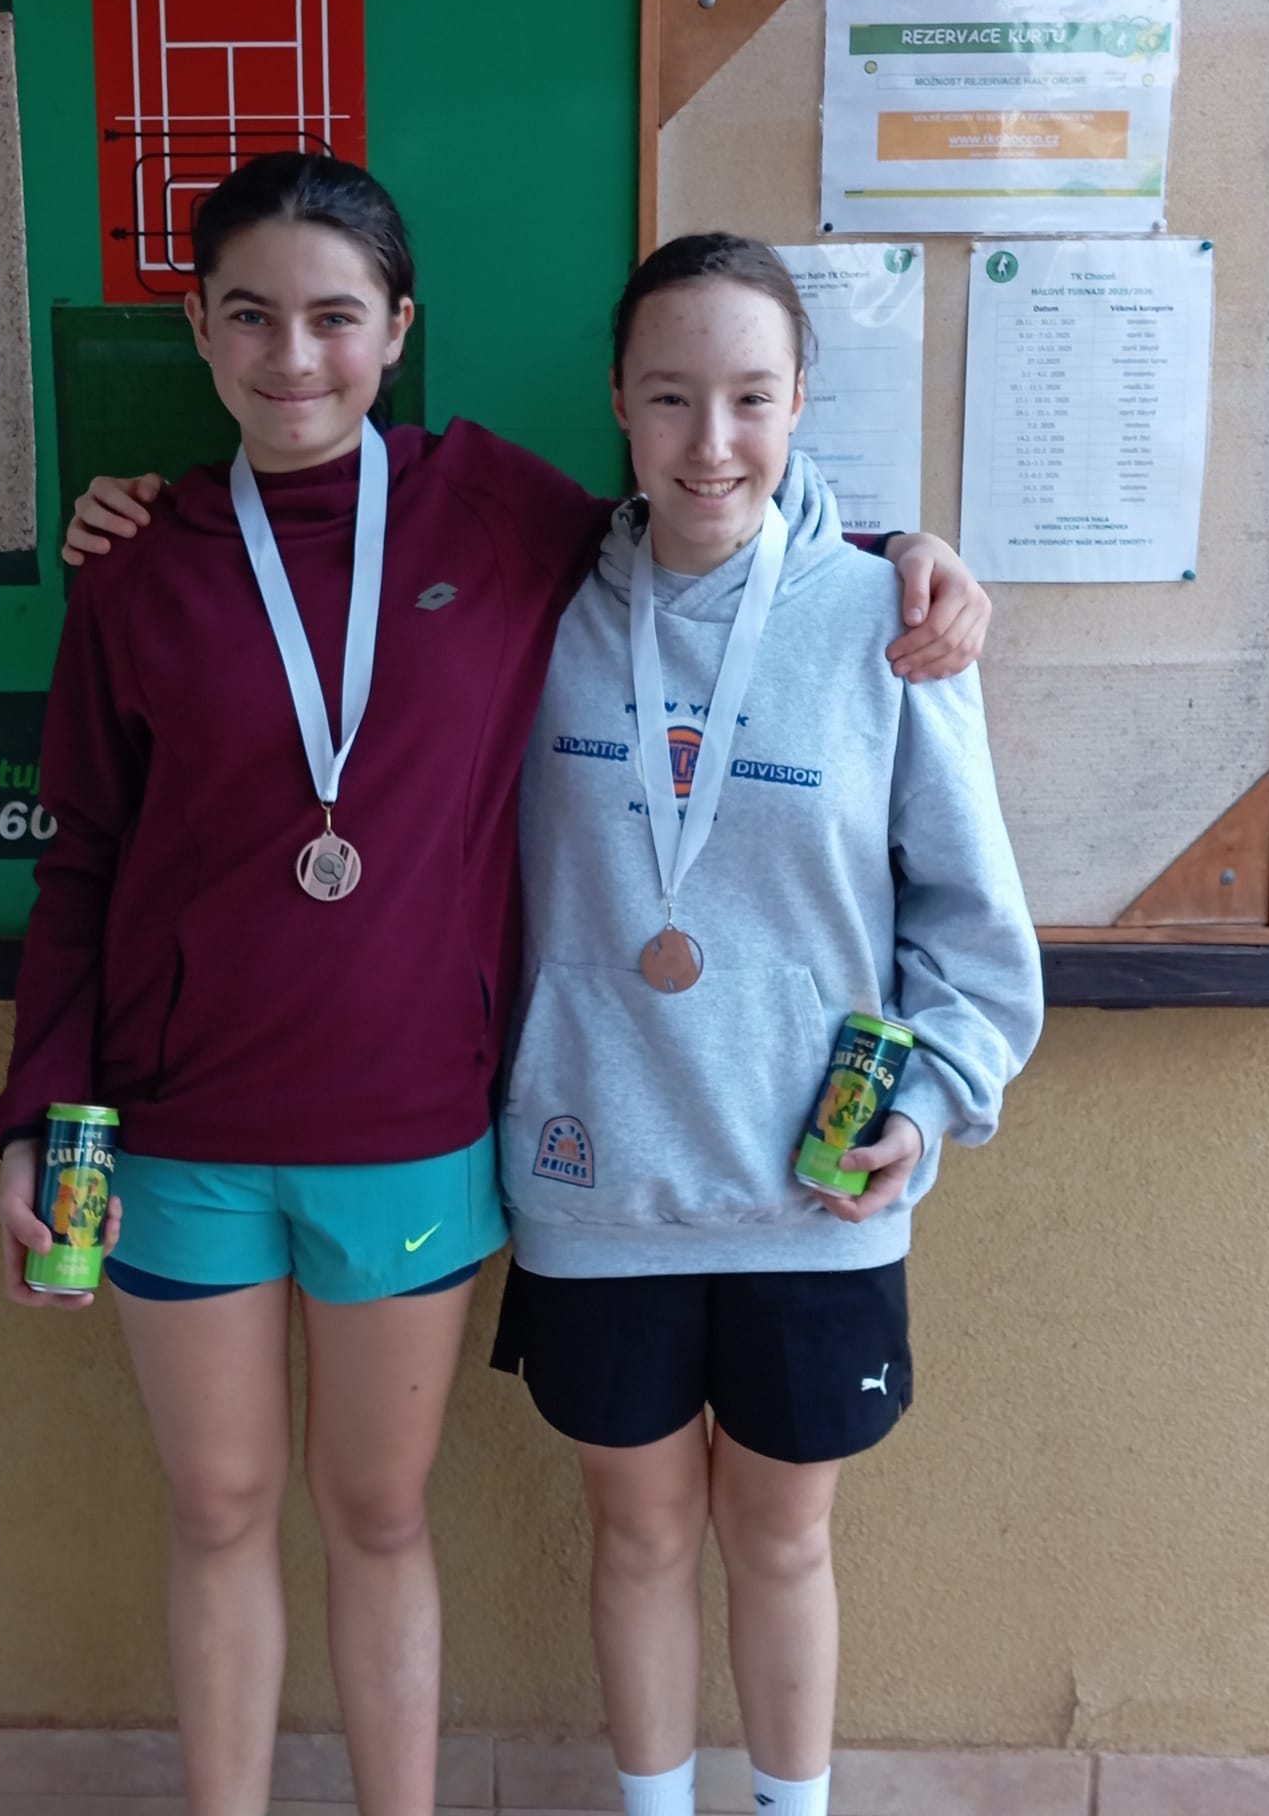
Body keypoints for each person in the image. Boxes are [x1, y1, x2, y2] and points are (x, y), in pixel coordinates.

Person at [4, 152, 990, 1816]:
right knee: (218, 1508)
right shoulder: (140, 561)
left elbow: (711, 520)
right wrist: (38, 1111)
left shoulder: (498, 510)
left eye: (336, 316)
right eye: (251, 316)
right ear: (199, 327)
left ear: (400, 329)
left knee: (379, 1513)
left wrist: (903, 552)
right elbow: (80, 860)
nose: (295, 356)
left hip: (409, 1124)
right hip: (175, 1132)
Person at [488, 234, 1044, 1816]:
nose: (711, 441)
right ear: (618, 401)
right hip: (598, 1176)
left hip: (818, 1190)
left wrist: (927, 1105)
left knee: (785, 1539)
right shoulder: (533, 611)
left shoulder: (890, 619)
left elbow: (970, 926)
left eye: (750, 396)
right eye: (671, 397)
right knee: (639, 1534)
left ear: (803, 400)